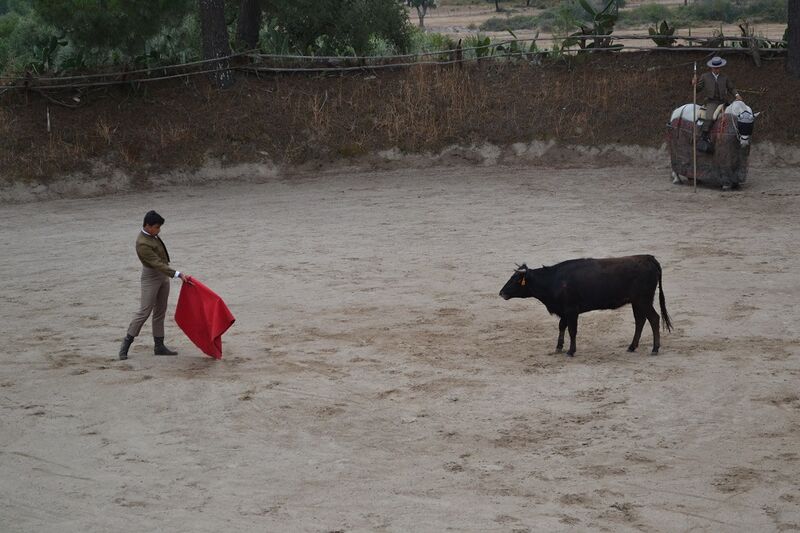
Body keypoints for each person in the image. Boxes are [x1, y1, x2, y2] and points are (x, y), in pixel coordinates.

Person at [118, 210, 188, 360]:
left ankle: (159, 346)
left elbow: (161, 262)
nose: (159, 230)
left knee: (160, 311)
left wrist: (169, 273)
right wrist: (177, 273)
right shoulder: (142, 243)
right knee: (144, 311)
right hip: (151, 277)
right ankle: (126, 344)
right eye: (157, 227)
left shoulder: (152, 235)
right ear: (148, 226)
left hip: (163, 275)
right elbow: (156, 263)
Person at [692, 56, 742, 144]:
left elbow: (731, 88)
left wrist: (737, 95)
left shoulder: (725, 77)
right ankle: (704, 135)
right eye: (715, 68)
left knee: (735, 114)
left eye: (718, 68)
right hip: (711, 101)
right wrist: (694, 84)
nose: (717, 70)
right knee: (710, 117)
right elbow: (698, 89)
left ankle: (738, 135)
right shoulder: (705, 76)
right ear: (711, 67)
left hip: (723, 101)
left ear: (720, 67)